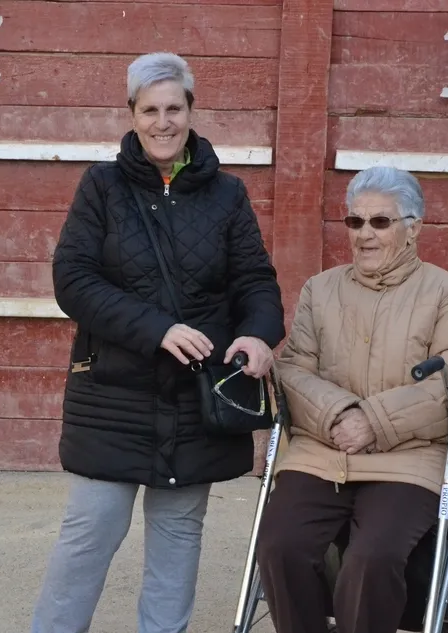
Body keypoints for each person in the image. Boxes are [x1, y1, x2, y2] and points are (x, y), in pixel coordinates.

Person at [32, 52, 285, 633]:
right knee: (89, 535)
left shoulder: (228, 194)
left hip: (197, 399)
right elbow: (73, 280)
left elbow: (255, 281)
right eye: (150, 109)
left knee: (177, 540)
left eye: (175, 108)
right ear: (131, 114)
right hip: (113, 395)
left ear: (192, 112)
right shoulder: (101, 186)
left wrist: (259, 333)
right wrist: (157, 329)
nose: (163, 122)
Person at [255, 165, 448, 633]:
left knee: (372, 558)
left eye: (380, 222)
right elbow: (293, 369)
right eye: (355, 221)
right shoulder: (320, 290)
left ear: (413, 229)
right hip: (323, 453)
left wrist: (375, 420)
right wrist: (340, 414)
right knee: (279, 546)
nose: (365, 234)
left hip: (410, 459)